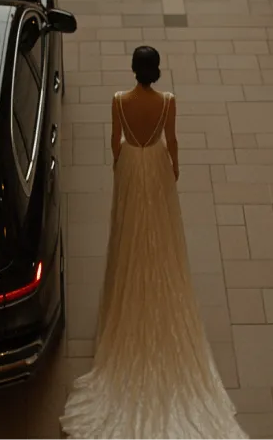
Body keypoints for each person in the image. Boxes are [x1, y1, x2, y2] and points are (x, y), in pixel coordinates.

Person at [60, 46, 249, 439]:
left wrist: (121, 163)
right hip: (156, 166)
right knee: (161, 231)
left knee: (128, 229)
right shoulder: (167, 103)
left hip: (132, 166)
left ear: (133, 70)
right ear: (156, 71)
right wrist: (173, 168)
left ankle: (127, 288)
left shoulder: (118, 101)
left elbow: (115, 143)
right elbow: (173, 142)